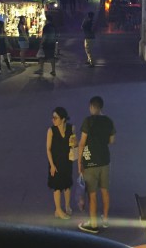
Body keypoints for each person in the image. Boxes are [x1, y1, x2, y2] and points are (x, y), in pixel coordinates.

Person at [77, 96, 116, 234]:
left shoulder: (88, 121)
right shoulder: (108, 121)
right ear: (101, 107)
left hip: (91, 162)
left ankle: (93, 225)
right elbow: (112, 140)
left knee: (92, 194)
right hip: (105, 160)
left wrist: (79, 162)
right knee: (105, 190)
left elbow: (82, 143)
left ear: (92, 107)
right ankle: (105, 219)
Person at [46, 107, 76, 219]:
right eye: (53, 117)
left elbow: (74, 145)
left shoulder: (71, 128)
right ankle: (58, 210)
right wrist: (52, 165)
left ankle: (67, 206)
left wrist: (74, 143)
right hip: (56, 163)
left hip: (67, 162)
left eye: (55, 118)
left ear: (63, 119)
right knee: (57, 187)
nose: (53, 120)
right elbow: (48, 149)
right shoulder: (51, 131)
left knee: (67, 186)